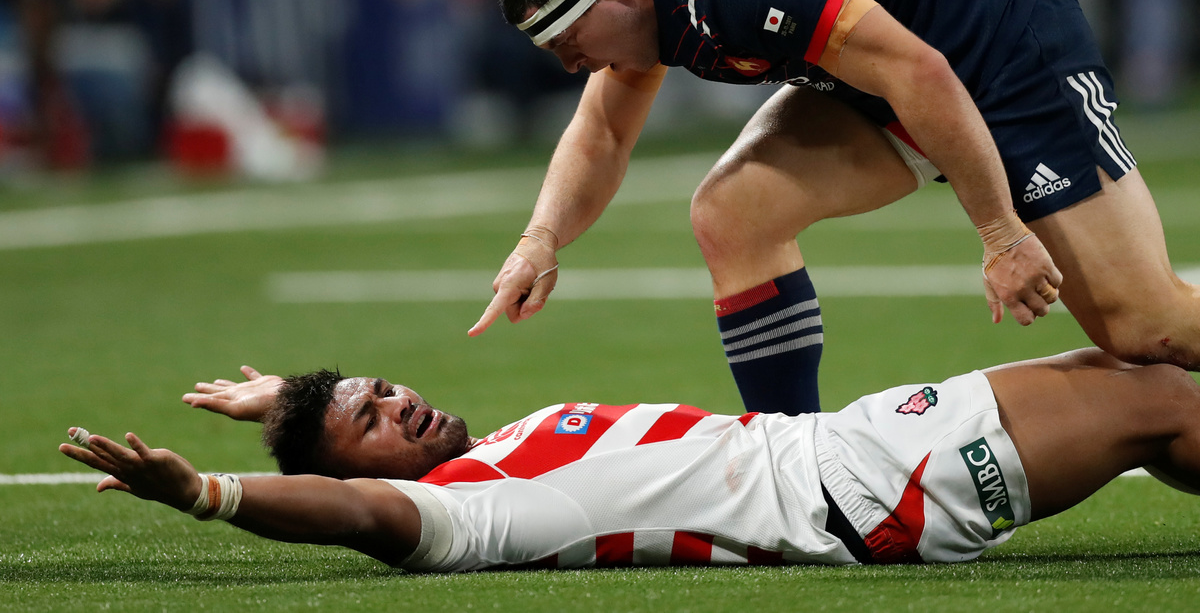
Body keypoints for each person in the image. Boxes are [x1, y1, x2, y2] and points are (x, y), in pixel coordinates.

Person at [468, 0, 1200, 416]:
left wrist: (1002, 234)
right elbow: (602, 131)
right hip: (882, 76)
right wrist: (540, 239)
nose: (571, 65)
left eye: (569, 41)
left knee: (1146, 327)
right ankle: (797, 473)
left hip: (997, 50)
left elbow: (922, 71)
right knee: (735, 212)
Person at [60, 348, 1200, 572]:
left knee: (1138, 367)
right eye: (373, 418)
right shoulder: (465, 511)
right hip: (867, 490)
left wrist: (292, 399)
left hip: (847, 447)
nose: (398, 402)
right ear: (371, 474)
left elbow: (347, 453)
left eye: (385, 387)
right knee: (1157, 401)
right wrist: (209, 494)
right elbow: (354, 511)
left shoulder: (492, 448)